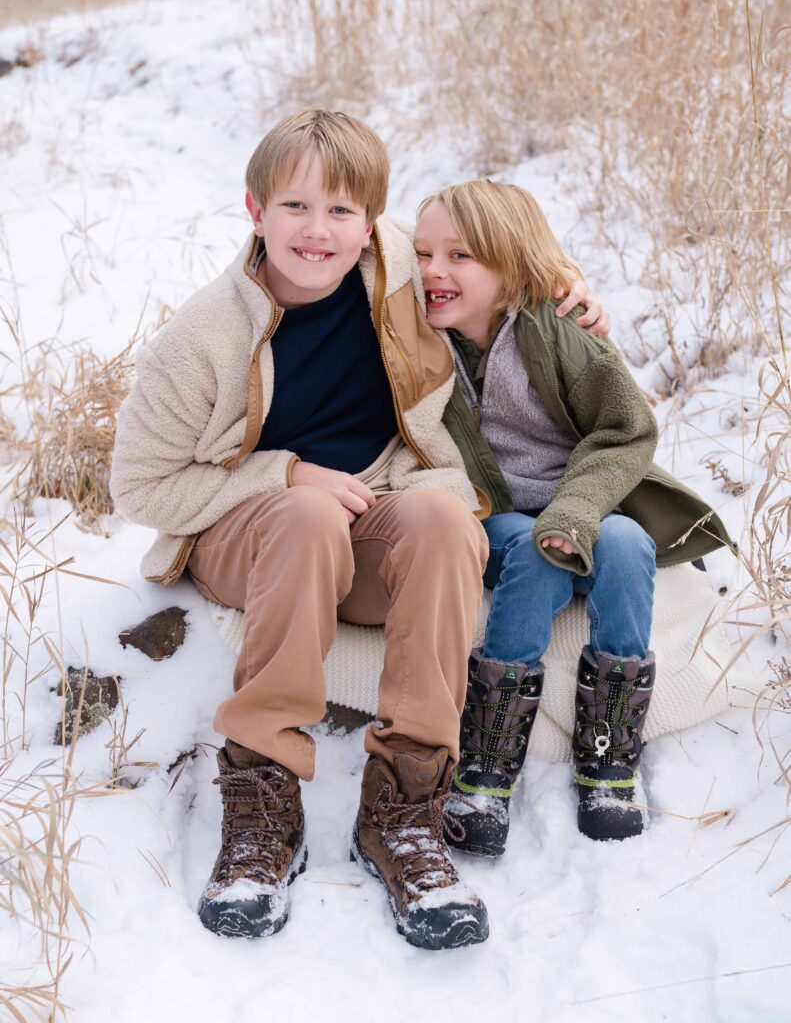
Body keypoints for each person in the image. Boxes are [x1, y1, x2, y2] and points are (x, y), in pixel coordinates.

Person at [110, 110, 608, 949]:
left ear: (372, 220)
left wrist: (563, 284)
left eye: (341, 211)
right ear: (253, 209)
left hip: (372, 513)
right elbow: (138, 485)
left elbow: (494, 254)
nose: (317, 231)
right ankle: (263, 809)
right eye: (294, 207)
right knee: (306, 513)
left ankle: (404, 810)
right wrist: (286, 474)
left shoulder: (401, 264)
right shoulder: (203, 337)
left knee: (445, 520)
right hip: (251, 532)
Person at [413, 180, 735, 852]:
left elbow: (624, 430)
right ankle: (488, 765)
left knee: (624, 544)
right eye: (422, 254)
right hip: (495, 517)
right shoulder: (416, 342)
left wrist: (578, 511)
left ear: (511, 270)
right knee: (532, 549)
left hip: (588, 504)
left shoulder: (561, 333)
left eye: (459, 256)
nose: (433, 271)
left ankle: (609, 754)